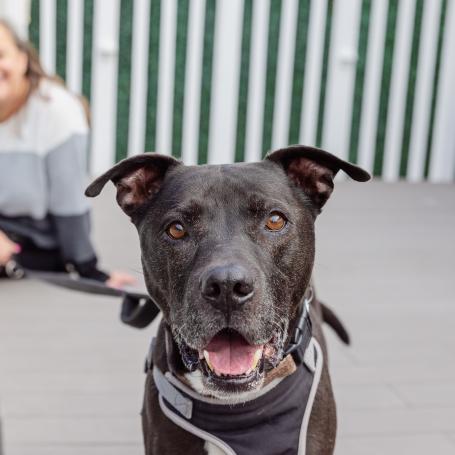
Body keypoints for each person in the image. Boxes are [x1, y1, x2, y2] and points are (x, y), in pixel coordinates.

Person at [0, 20, 134, 287]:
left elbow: (69, 203)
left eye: (1, 55)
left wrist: (90, 270)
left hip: (34, 242)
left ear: (23, 60)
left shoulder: (58, 111)